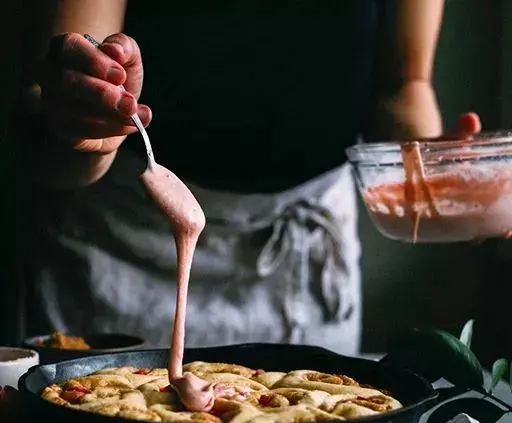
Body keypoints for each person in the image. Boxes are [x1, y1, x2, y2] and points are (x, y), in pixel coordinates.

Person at [21, 1, 480, 354]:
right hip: (125, 250)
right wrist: (87, 122)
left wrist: (441, 180)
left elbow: (402, 87)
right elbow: (57, 135)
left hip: (305, 258)